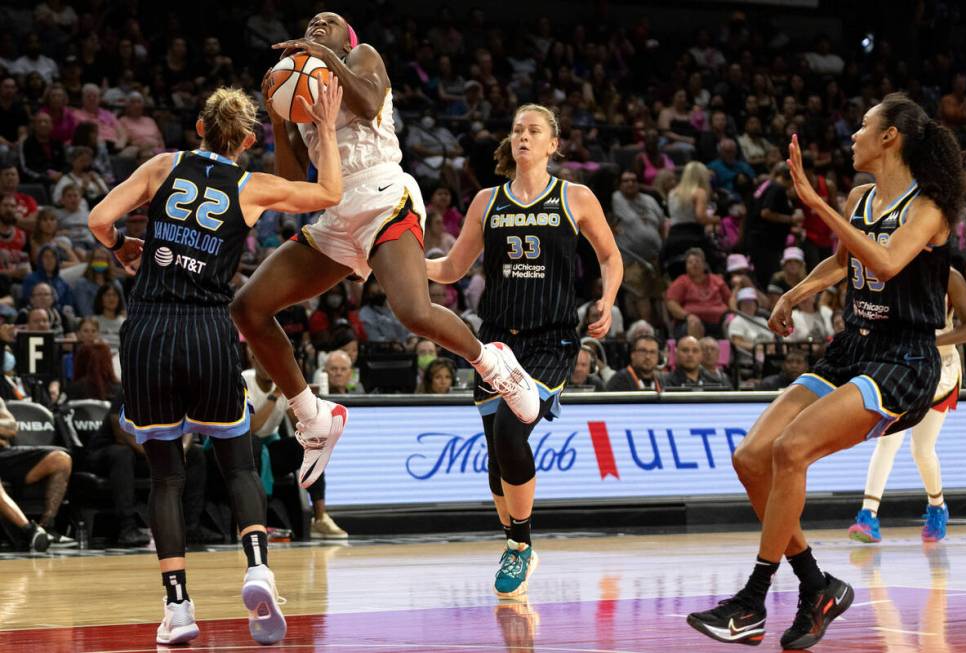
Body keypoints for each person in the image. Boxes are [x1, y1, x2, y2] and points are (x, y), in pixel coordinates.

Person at [688, 94, 966, 650]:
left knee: (792, 451)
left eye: (864, 126)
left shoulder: (928, 208)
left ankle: (752, 600)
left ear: (890, 138)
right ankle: (818, 586)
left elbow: (887, 263)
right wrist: (796, 292)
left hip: (903, 359)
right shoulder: (862, 197)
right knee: (751, 459)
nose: (853, 135)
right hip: (850, 349)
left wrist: (816, 203)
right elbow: (845, 262)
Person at [232, 11, 544, 496]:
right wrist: (278, 116)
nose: (318, 23)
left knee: (412, 311)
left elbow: (369, 97)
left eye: (329, 21)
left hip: (382, 193)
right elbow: (295, 183)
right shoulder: (303, 87)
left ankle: (493, 363)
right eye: (312, 21)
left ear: (346, 37)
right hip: (335, 211)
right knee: (247, 308)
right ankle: (313, 415)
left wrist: (326, 57)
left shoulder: (361, 56)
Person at [87, 80, 345, 646]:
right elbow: (329, 192)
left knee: (166, 478)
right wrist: (323, 126)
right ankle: (257, 569)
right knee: (239, 465)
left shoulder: (162, 165)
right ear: (247, 140)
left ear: (200, 128)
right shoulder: (251, 186)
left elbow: (99, 219)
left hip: (149, 331)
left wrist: (123, 247)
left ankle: (178, 608)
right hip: (207, 328)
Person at [426, 102, 622, 598]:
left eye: (534, 131)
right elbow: (451, 269)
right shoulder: (487, 201)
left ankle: (520, 544)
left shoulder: (574, 197)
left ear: (553, 144)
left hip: (549, 341)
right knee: (497, 455)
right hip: (494, 340)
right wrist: (404, 267)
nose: (524, 137)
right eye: (517, 130)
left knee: (513, 436)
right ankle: (517, 542)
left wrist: (608, 297)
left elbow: (610, 255)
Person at [849, 268, 966, 544]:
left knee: (921, 450)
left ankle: (937, 506)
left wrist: (931, 342)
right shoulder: (891, 271)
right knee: (887, 442)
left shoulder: (949, 277)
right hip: (902, 367)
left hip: (939, 370)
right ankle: (868, 515)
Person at [242, 347, 346, 541]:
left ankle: (320, 518)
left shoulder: (282, 384)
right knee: (254, 443)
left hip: (269, 449)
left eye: (272, 361)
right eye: (263, 360)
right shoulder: (244, 381)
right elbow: (252, 428)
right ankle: (250, 522)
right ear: (254, 360)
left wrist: (299, 402)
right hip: (242, 450)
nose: (268, 366)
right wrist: (275, 395)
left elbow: (300, 427)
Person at [0, 396, 75, 546]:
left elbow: (11, 428)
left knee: (61, 459)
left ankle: (46, 528)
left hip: (5, 454)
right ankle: (29, 531)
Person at [662, 335, 732, 389]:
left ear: (701, 355)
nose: (690, 355)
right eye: (685, 350)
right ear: (676, 354)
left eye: (695, 351)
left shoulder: (716, 382)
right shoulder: (664, 381)